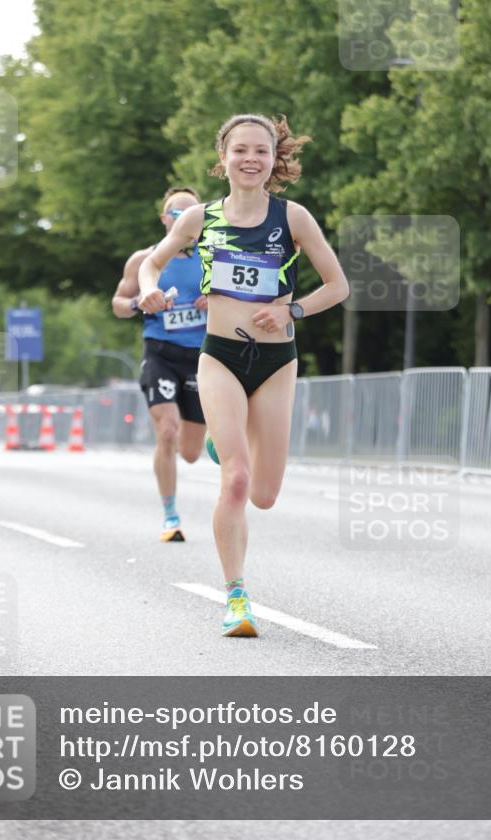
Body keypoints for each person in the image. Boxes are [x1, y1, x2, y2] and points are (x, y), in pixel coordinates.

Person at [138, 115, 349, 636]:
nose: (251, 158)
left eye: (262, 150)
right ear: (224, 158)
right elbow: (150, 263)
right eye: (241, 150)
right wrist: (149, 289)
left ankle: (222, 442)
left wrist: (291, 311)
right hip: (220, 356)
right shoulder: (199, 219)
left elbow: (338, 285)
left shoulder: (293, 218)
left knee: (265, 494)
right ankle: (236, 597)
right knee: (235, 480)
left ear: (275, 159)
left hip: (276, 361)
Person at [112, 186, 207, 542]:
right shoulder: (144, 260)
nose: (182, 218)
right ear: (164, 219)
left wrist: (215, 301)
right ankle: (171, 517)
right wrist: (140, 302)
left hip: (201, 357)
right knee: (167, 430)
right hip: (160, 352)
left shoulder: (214, 258)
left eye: (190, 212)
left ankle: (206, 434)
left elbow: (243, 298)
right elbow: (118, 303)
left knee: (192, 453)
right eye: (175, 213)